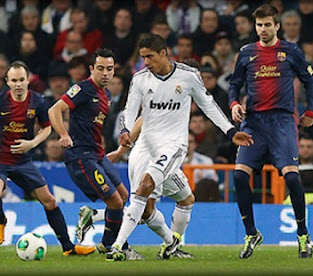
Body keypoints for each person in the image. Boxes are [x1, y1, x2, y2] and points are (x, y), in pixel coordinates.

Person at [107, 34, 253, 262]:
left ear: (164, 53)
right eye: (143, 57)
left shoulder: (188, 76)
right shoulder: (140, 79)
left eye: (150, 57)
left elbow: (209, 105)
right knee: (180, 200)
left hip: (173, 145)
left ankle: (117, 246)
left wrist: (231, 132)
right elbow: (130, 110)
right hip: (145, 147)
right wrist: (125, 131)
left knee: (144, 188)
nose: (145, 62)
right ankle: (171, 245)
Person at [228, 4, 313, 259]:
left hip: (282, 122)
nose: (263, 29)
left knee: (291, 178)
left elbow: (311, 81)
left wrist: (310, 112)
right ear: (255, 27)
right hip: (254, 123)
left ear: (277, 26)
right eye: (259, 25)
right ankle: (251, 233)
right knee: (239, 177)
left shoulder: (290, 51)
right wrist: (234, 104)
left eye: (268, 24)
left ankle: (302, 234)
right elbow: (234, 85)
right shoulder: (246, 53)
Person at [0, 61, 95, 255]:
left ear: (28, 80)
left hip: (23, 161)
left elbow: (47, 127)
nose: (18, 84)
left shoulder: (38, 101)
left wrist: (32, 143)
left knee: (50, 201)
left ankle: (68, 248)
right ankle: (1, 220)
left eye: (21, 80)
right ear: (7, 82)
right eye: (14, 81)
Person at [48, 49, 142, 260]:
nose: (105, 73)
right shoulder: (82, 89)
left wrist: (117, 151)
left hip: (97, 155)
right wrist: (63, 134)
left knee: (124, 197)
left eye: (109, 69)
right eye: (100, 68)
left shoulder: (105, 94)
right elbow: (54, 110)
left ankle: (107, 238)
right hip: (81, 157)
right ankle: (115, 246)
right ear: (92, 69)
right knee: (116, 203)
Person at [79, 117, 195, 259]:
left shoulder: (182, 101)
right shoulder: (164, 98)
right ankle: (168, 246)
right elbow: (143, 118)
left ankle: (172, 247)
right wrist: (120, 151)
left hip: (167, 157)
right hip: (149, 158)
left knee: (186, 199)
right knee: (144, 210)